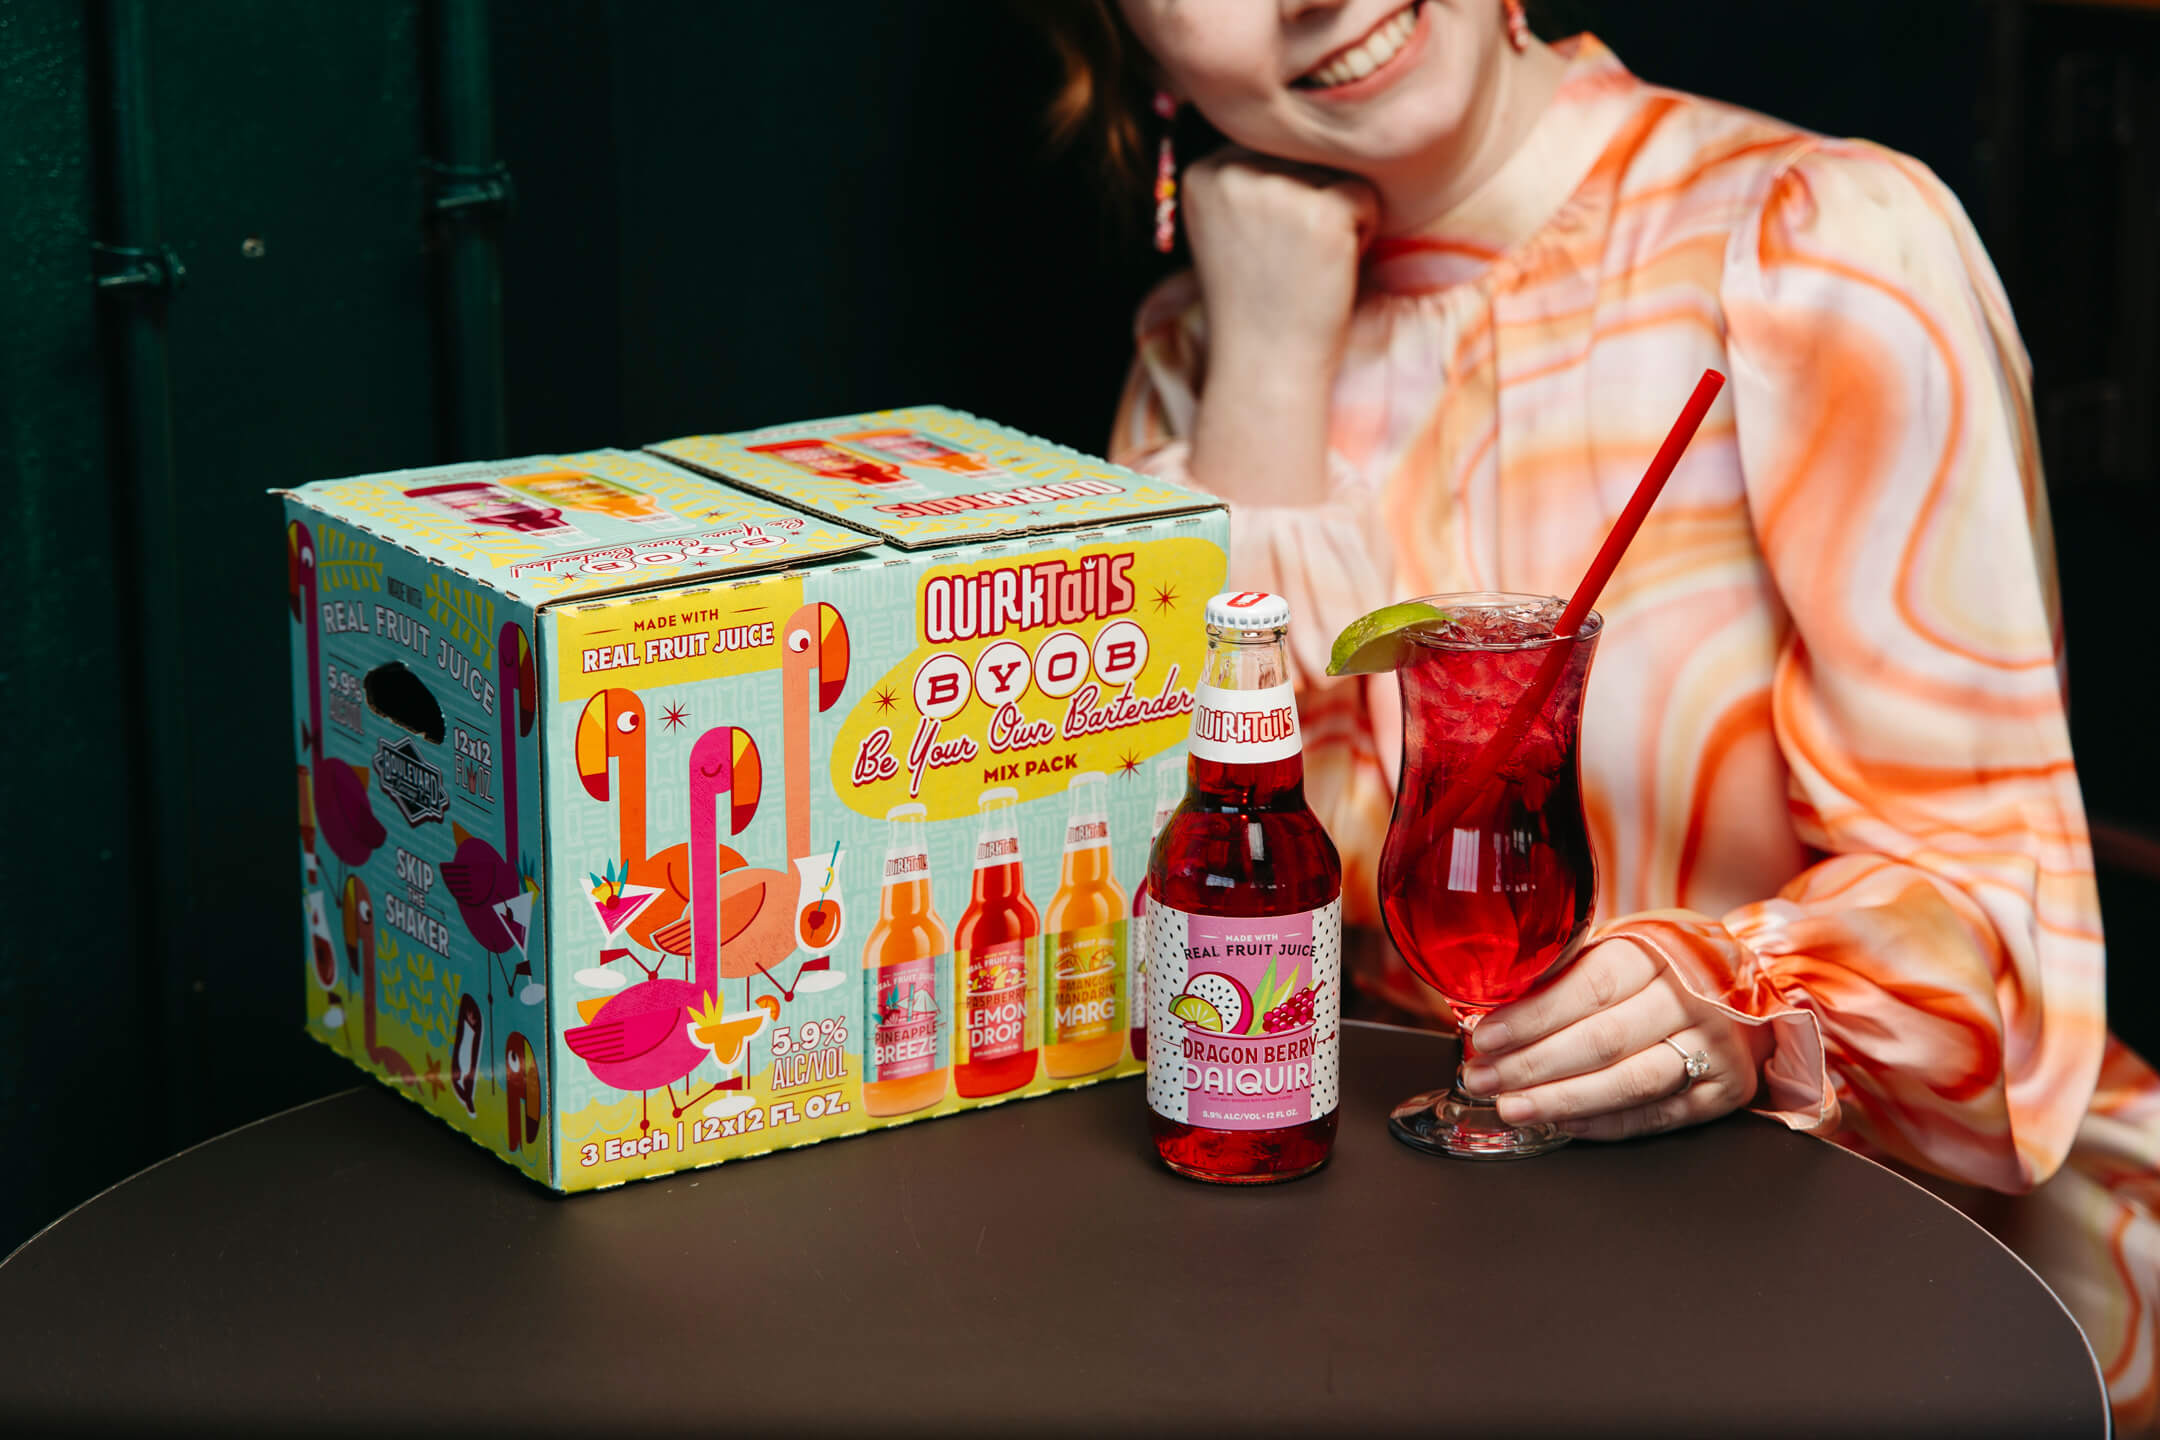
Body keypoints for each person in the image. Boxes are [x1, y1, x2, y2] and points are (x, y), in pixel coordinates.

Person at [1033, 0, 2160, 1428]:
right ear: (1124, 45)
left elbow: (1994, 935)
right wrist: (1264, 364)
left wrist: (1739, 995)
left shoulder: (1820, 239)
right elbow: (1189, 932)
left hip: (1874, 1271)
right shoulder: (1196, 353)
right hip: (1404, 1268)